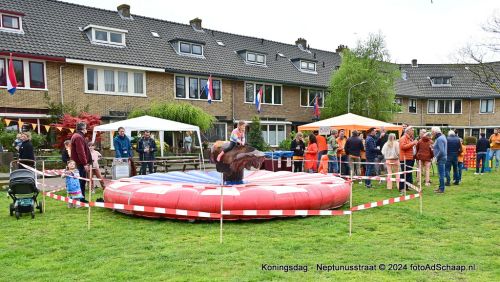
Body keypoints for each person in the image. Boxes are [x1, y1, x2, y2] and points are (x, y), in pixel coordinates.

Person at [71, 121, 92, 201]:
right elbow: (81, 152)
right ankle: (80, 199)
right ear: (83, 129)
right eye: (86, 128)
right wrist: (85, 163)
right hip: (80, 164)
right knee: (81, 181)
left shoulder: (77, 136)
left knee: (81, 181)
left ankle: (80, 198)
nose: (86, 129)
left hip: (79, 163)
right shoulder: (78, 137)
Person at [399, 127, 418, 194]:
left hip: (410, 158)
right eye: (412, 130)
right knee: (404, 173)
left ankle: (406, 187)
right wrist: (413, 143)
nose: (413, 131)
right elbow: (403, 147)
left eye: (413, 130)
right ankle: (401, 188)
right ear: (408, 131)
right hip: (405, 159)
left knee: (408, 174)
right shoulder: (403, 138)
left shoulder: (410, 138)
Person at [432, 127, 447, 193]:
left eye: (432, 132)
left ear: (435, 132)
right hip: (442, 157)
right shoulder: (442, 137)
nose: (432, 133)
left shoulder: (440, 139)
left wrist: (436, 157)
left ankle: (441, 189)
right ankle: (441, 187)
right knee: (441, 174)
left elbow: (442, 150)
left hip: (441, 158)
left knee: (441, 174)